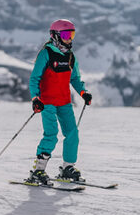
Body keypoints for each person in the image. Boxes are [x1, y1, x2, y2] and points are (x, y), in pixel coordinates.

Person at [26, 19, 92, 184]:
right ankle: (38, 170)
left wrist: (83, 92)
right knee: (51, 134)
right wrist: (36, 98)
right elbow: (34, 79)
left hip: (64, 102)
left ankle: (67, 168)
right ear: (55, 35)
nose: (69, 38)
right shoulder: (46, 53)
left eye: (72, 34)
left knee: (72, 133)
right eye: (65, 35)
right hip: (46, 101)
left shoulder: (70, 56)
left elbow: (75, 78)